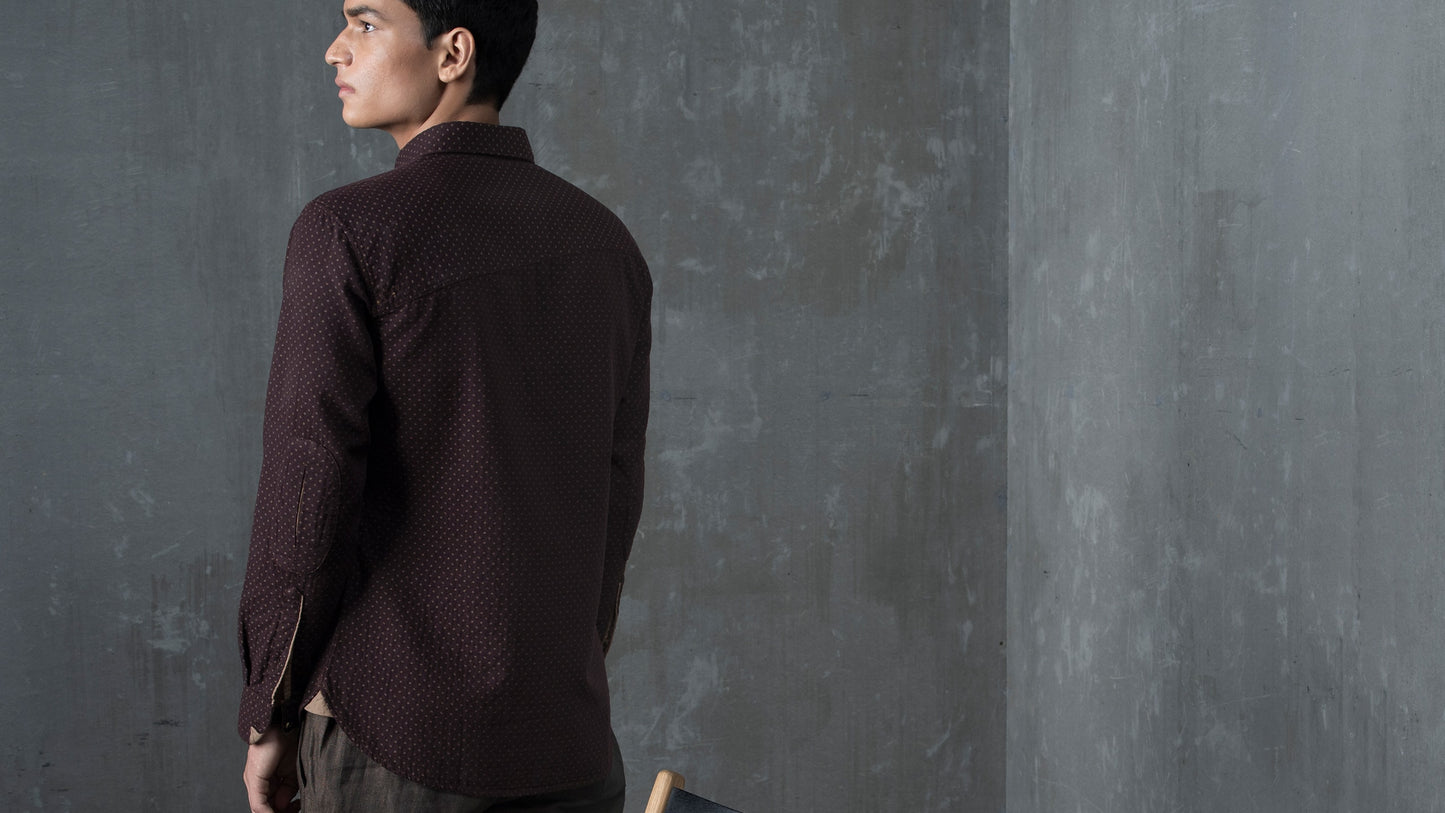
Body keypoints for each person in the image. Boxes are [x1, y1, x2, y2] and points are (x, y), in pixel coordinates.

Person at [235, 1, 651, 810]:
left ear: (452, 53)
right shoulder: (607, 242)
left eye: (364, 23)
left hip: (394, 740)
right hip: (568, 740)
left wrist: (269, 709)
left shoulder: (348, 230)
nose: (335, 50)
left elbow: (307, 493)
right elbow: (615, 495)